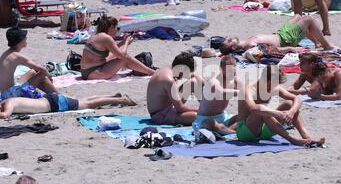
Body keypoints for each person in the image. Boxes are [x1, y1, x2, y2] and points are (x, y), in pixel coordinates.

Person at [236, 64, 324, 146]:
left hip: (266, 129)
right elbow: (253, 109)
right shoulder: (248, 89)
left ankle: (307, 138)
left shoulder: (273, 86)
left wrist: (291, 112)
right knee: (262, 109)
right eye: (274, 83)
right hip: (246, 131)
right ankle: (292, 139)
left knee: (289, 104)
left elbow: (297, 99)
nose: (275, 86)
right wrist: (279, 114)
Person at [79, 15, 156, 80]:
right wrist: (126, 42)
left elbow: (113, 51)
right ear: (111, 27)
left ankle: (147, 70)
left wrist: (123, 42)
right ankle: (152, 72)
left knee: (114, 55)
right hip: (93, 73)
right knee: (124, 58)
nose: (117, 31)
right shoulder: (106, 38)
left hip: (86, 71)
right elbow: (123, 55)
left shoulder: (97, 36)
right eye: (117, 28)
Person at [219, 15, 334, 54]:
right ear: (234, 47)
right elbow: (269, 51)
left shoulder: (247, 42)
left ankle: (317, 42)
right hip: (285, 39)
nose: (229, 39)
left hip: (280, 33)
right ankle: (327, 46)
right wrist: (289, 48)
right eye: (229, 41)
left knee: (298, 16)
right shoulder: (250, 47)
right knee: (308, 19)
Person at [0, 27, 58, 101]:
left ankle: (53, 93)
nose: (26, 39)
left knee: (32, 72)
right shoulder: (16, 56)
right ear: (20, 41)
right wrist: (50, 78)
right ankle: (59, 96)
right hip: (10, 96)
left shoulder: (7, 53)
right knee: (42, 75)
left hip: (5, 93)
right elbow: (42, 69)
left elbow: (35, 68)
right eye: (24, 38)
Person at [146, 52, 203, 126]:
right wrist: (201, 111)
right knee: (197, 116)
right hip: (160, 115)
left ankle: (206, 106)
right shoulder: (168, 80)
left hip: (170, 107)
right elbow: (180, 108)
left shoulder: (168, 69)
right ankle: (206, 111)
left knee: (193, 82)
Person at [194, 55, 239, 135]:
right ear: (221, 69)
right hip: (206, 118)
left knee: (242, 117)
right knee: (208, 123)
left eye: (234, 71)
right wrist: (240, 92)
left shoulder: (234, 81)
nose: (232, 73)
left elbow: (247, 90)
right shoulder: (214, 82)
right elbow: (222, 92)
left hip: (223, 117)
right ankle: (230, 132)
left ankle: (225, 130)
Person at [0, 92, 136, 119]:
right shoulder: (8, 101)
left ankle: (122, 100)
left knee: (88, 104)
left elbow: (5, 115)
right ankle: (113, 97)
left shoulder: (9, 103)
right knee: (85, 100)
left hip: (54, 104)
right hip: (50, 99)